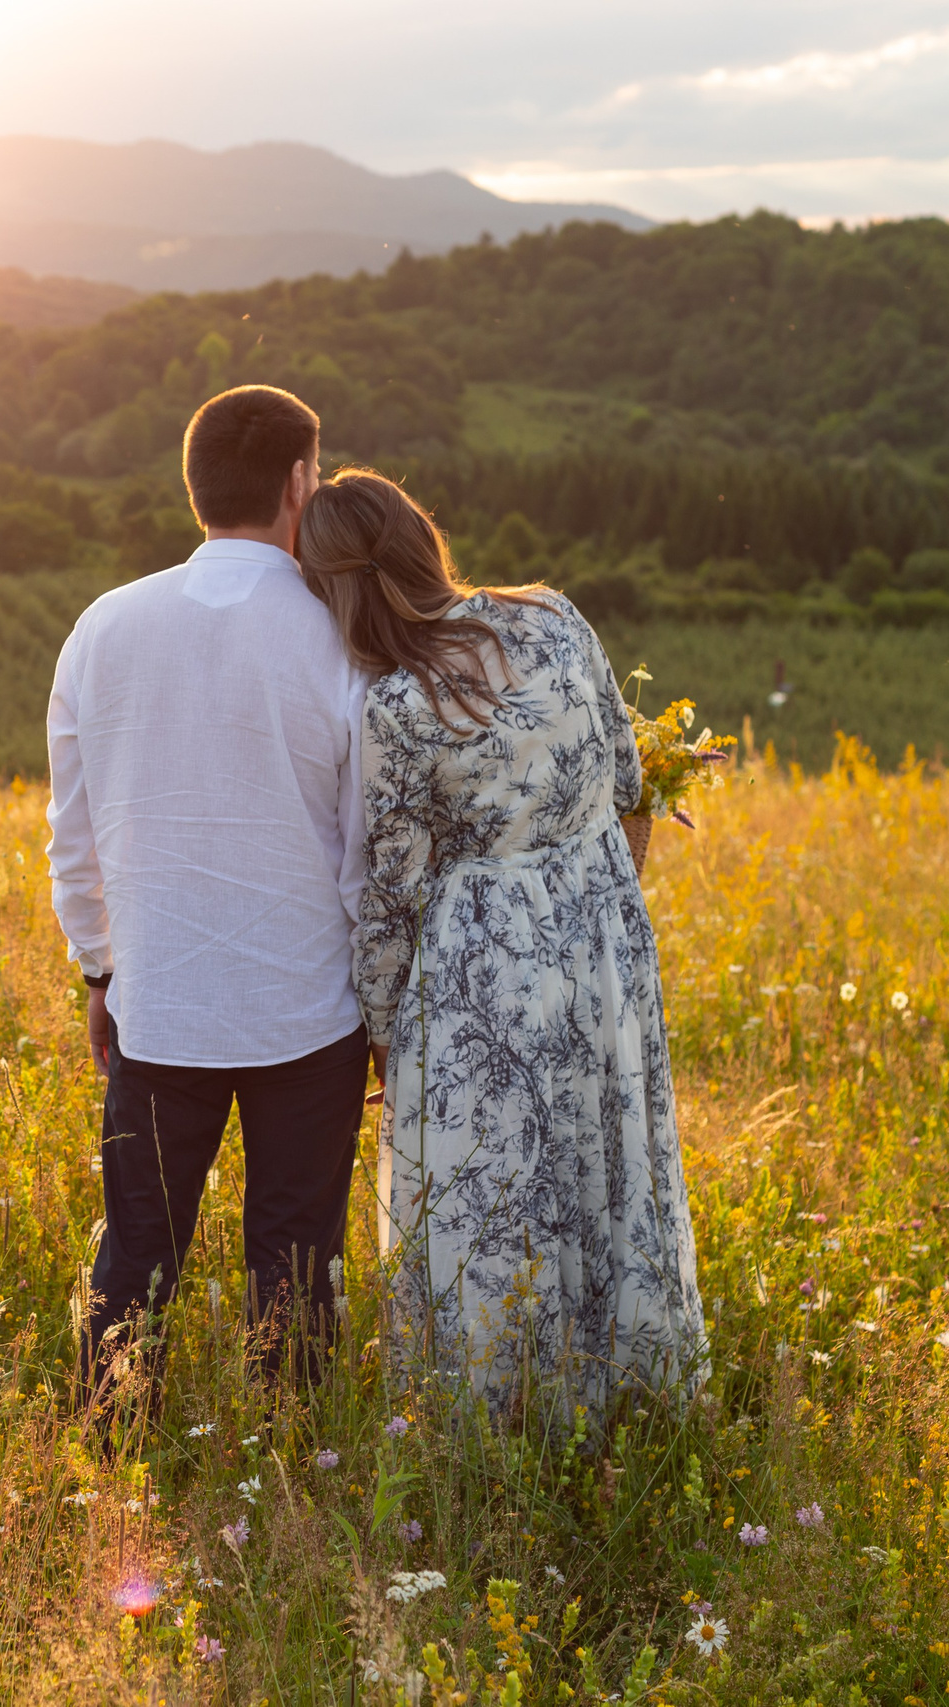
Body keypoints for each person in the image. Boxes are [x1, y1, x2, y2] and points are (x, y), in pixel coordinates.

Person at [294, 469, 702, 1413]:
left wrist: (383, 1028)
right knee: (609, 1152)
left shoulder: (397, 707)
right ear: (418, 536)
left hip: (489, 961)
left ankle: (507, 1410)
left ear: (339, 593)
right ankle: (630, 1386)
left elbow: (394, 887)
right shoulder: (553, 612)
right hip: (602, 935)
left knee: (502, 1186)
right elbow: (627, 771)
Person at [46, 384, 372, 1407]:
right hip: (309, 1009)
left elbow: (73, 835)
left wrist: (99, 968)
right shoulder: (342, 633)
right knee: (295, 1261)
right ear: (297, 482)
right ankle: (292, 1467)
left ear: (193, 488)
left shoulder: (102, 627)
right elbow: (367, 848)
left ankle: (105, 1451)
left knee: (135, 1252)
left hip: (160, 1001)